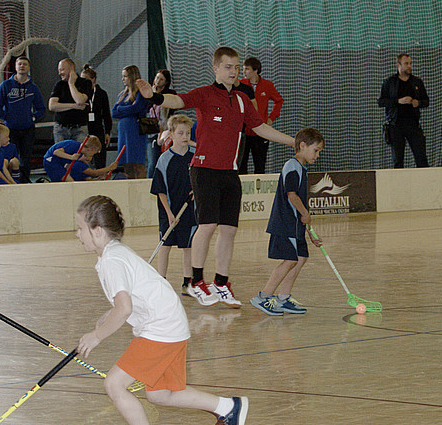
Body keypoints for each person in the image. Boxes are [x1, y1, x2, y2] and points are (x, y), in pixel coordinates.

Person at [74, 195, 249, 425]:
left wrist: (96, 336)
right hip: (170, 322)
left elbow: (124, 308)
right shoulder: (114, 254)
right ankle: (228, 407)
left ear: (96, 231)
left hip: (161, 328)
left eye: (80, 228)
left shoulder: (112, 260)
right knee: (161, 393)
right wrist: (106, 317)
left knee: (113, 384)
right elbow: (133, 297)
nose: (77, 234)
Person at [136, 46, 296, 308]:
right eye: (227, 67)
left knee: (229, 230)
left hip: (230, 172)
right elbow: (178, 101)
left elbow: (260, 127)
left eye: (236, 67)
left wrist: (292, 142)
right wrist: (154, 96)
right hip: (204, 169)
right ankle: (196, 281)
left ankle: (221, 283)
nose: (233, 71)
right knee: (207, 226)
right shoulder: (205, 94)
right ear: (216, 68)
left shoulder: (243, 100)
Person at [250, 128, 324, 315]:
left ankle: (283, 298)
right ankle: (264, 296)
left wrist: (308, 229)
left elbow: (298, 200)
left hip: (296, 224)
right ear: (302, 146)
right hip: (285, 223)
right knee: (290, 259)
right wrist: (305, 213)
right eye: (316, 150)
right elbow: (291, 195)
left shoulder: (301, 169)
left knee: (300, 257)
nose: (318, 155)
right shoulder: (292, 166)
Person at [150, 115, 197, 294]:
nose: (184, 136)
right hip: (168, 210)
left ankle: (187, 283)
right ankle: (161, 280)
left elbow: (201, 180)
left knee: (188, 246)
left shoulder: (194, 157)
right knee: (165, 245)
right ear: (171, 135)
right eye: (180, 133)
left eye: (187, 133)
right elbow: (160, 189)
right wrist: (169, 213)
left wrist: (196, 191)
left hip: (189, 211)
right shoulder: (164, 159)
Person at [0, 55, 46, 183]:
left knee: (26, 159)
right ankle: (10, 181)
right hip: (10, 130)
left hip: (28, 129)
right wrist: (7, 117)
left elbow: (41, 108)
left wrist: (33, 117)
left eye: (25, 64)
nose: (22, 66)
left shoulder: (33, 88)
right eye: (19, 64)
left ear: (28, 67)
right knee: (10, 158)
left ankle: (24, 182)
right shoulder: (6, 85)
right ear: (15, 67)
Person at [377, 53, 429, 169]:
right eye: (406, 64)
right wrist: (398, 101)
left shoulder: (417, 82)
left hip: (413, 124)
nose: (409, 66)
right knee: (397, 160)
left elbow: (426, 101)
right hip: (396, 125)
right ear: (398, 65)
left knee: (421, 158)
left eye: (410, 63)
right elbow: (381, 102)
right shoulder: (390, 82)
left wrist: (418, 103)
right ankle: (398, 186)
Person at [240, 57, 284, 174]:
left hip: (261, 131)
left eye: (247, 69)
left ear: (255, 70)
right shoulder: (241, 84)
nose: (244, 72)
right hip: (244, 131)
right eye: (243, 69)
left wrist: (270, 119)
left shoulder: (267, 85)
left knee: (260, 165)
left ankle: (259, 191)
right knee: (241, 165)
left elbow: (279, 101)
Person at [111, 65, 150, 179]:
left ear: (132, 77)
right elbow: (114, 112)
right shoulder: (122, 94)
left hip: (135, 130)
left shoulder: (140, 93)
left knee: (137, 163)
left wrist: (121, 109)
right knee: (126, 164)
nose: (123, 79)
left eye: (125, 76)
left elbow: (136, 108)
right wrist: (127, 109)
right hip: (123, 131)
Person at [49, 58, 92, 143]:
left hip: (79, 128)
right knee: (61, 154)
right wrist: (73, 106)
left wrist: (71, 84)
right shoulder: (59, 85)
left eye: (62, 69)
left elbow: (80, 100)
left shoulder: (85, 83)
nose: (59, 73)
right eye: (58, 70)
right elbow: (52, 106)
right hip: (61, 129)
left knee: (79, 154)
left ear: (72, 68)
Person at [80, 65, 112, 171]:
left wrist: (107, 132)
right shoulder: (80, 93)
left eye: (85, 79)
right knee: (84, 157)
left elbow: (106, 114)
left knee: (99, 158)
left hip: (98, 129)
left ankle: (100, 177)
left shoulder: (101, 94)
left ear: (93, 79)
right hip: (84, 128)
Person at [41, 135, 115, 182]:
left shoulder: (80, 154)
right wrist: (71, 157)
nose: (92, 156)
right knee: (71, 182)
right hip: (50, 160)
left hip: (59, 164)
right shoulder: (73, 145)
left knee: (64, 180)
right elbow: (56, 152)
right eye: (93, 153)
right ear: (90, 149)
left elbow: (68, 165)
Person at [144, 69, 175, 179]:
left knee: (164, 160)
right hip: (151, 130)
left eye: (161, 79)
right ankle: (150, 182)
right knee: (152, 161)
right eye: (157, 78)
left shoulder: (170, 94)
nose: (158, 81)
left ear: (166, 82)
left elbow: (171, 111)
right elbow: (146, 110)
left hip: (165, 130)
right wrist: (151, 95)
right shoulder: (148, 94)